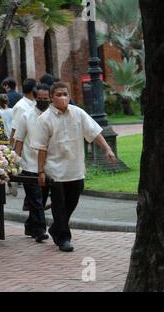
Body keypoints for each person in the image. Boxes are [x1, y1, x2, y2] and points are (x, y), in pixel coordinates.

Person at [31, 82, 116, 252]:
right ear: (51, 97)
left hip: (75, 168)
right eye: (58, 95)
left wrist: (107, 149)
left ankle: (56, 227)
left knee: (73, 199)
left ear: (69, 96)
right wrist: (40, 171)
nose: (62, 98)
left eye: (65, 94)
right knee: (59, 204)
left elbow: (94, 132)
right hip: (55, 170)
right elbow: (41, 148)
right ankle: (64, 238)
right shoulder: (44, 119)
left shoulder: (78, 113)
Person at [14, 83, 51, 243]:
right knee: (35, 199)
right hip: (29, 164)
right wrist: (14, 162)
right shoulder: (26, 116)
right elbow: (19, 140)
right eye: (40, 98)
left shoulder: (53, 115)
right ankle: (40, 230)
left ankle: (30, 225)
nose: (43, 101)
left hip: (48, 166)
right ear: (35, 98)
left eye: (46, 98)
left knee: (40, 200)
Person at [9, 78, 37, 146]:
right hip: (25, 145)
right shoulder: (20, 106)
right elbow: (15, 129)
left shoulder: (35, 103)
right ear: (33, 90)